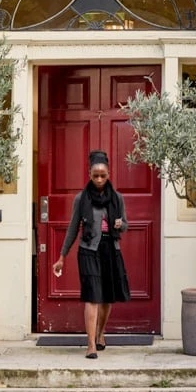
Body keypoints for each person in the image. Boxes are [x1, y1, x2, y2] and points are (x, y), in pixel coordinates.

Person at [52, 150, 131, 359]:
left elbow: (125, 225)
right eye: (95, 175)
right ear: (89, 174)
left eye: (102, 175)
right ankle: (90, 345)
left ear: (108, 174)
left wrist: (120, 224)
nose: (99, 179)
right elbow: (72, 228)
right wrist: (62, 256)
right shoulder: (81, 198)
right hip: (88, 250)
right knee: (92, 296)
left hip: (110, 249)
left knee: (106, 299)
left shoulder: (117, 198)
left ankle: (101, 332)